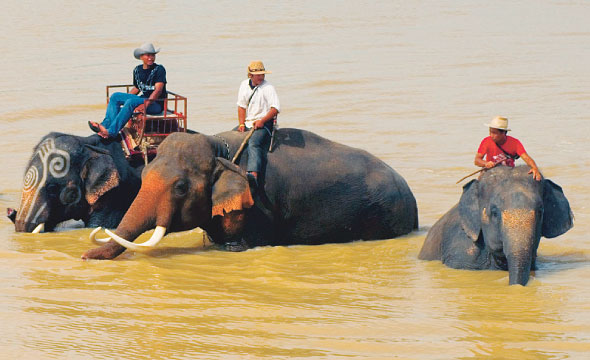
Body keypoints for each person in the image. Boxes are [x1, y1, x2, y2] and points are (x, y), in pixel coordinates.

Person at [89, 43, 167, 139]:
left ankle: (111, 132)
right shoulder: (137, 70)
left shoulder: (159, 69)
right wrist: (124, 99)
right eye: (148, 55)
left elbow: (158, 90)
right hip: (142, 98)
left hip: (156, 103)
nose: (151, 58)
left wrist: (146, 104)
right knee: (115, 96)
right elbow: (137, 88)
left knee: (131, 101)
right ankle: (105, 125)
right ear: (141, 57)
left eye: (153, 55)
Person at [236, 60, 280, 188]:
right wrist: (241, 124)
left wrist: (262, 121)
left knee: (254, 142)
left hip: (265, 123)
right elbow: (241, 106)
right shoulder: (243, 85)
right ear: (250, 76)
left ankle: (253, 173)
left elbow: (275, 108)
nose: (261, 77)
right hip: (249, 122)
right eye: (258, 75)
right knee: (233, 136)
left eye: (263, 75)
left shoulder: (268, 88)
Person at [474, 116, 542, 181]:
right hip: (491, 171)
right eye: (490, 132)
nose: (491, 135)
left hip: (509, 171)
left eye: (494, 133)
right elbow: (477, 160)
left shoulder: (515, 143)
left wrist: (534, 168)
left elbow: (526, 158)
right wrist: (486, 163)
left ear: (503, 133)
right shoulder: (486, 141)